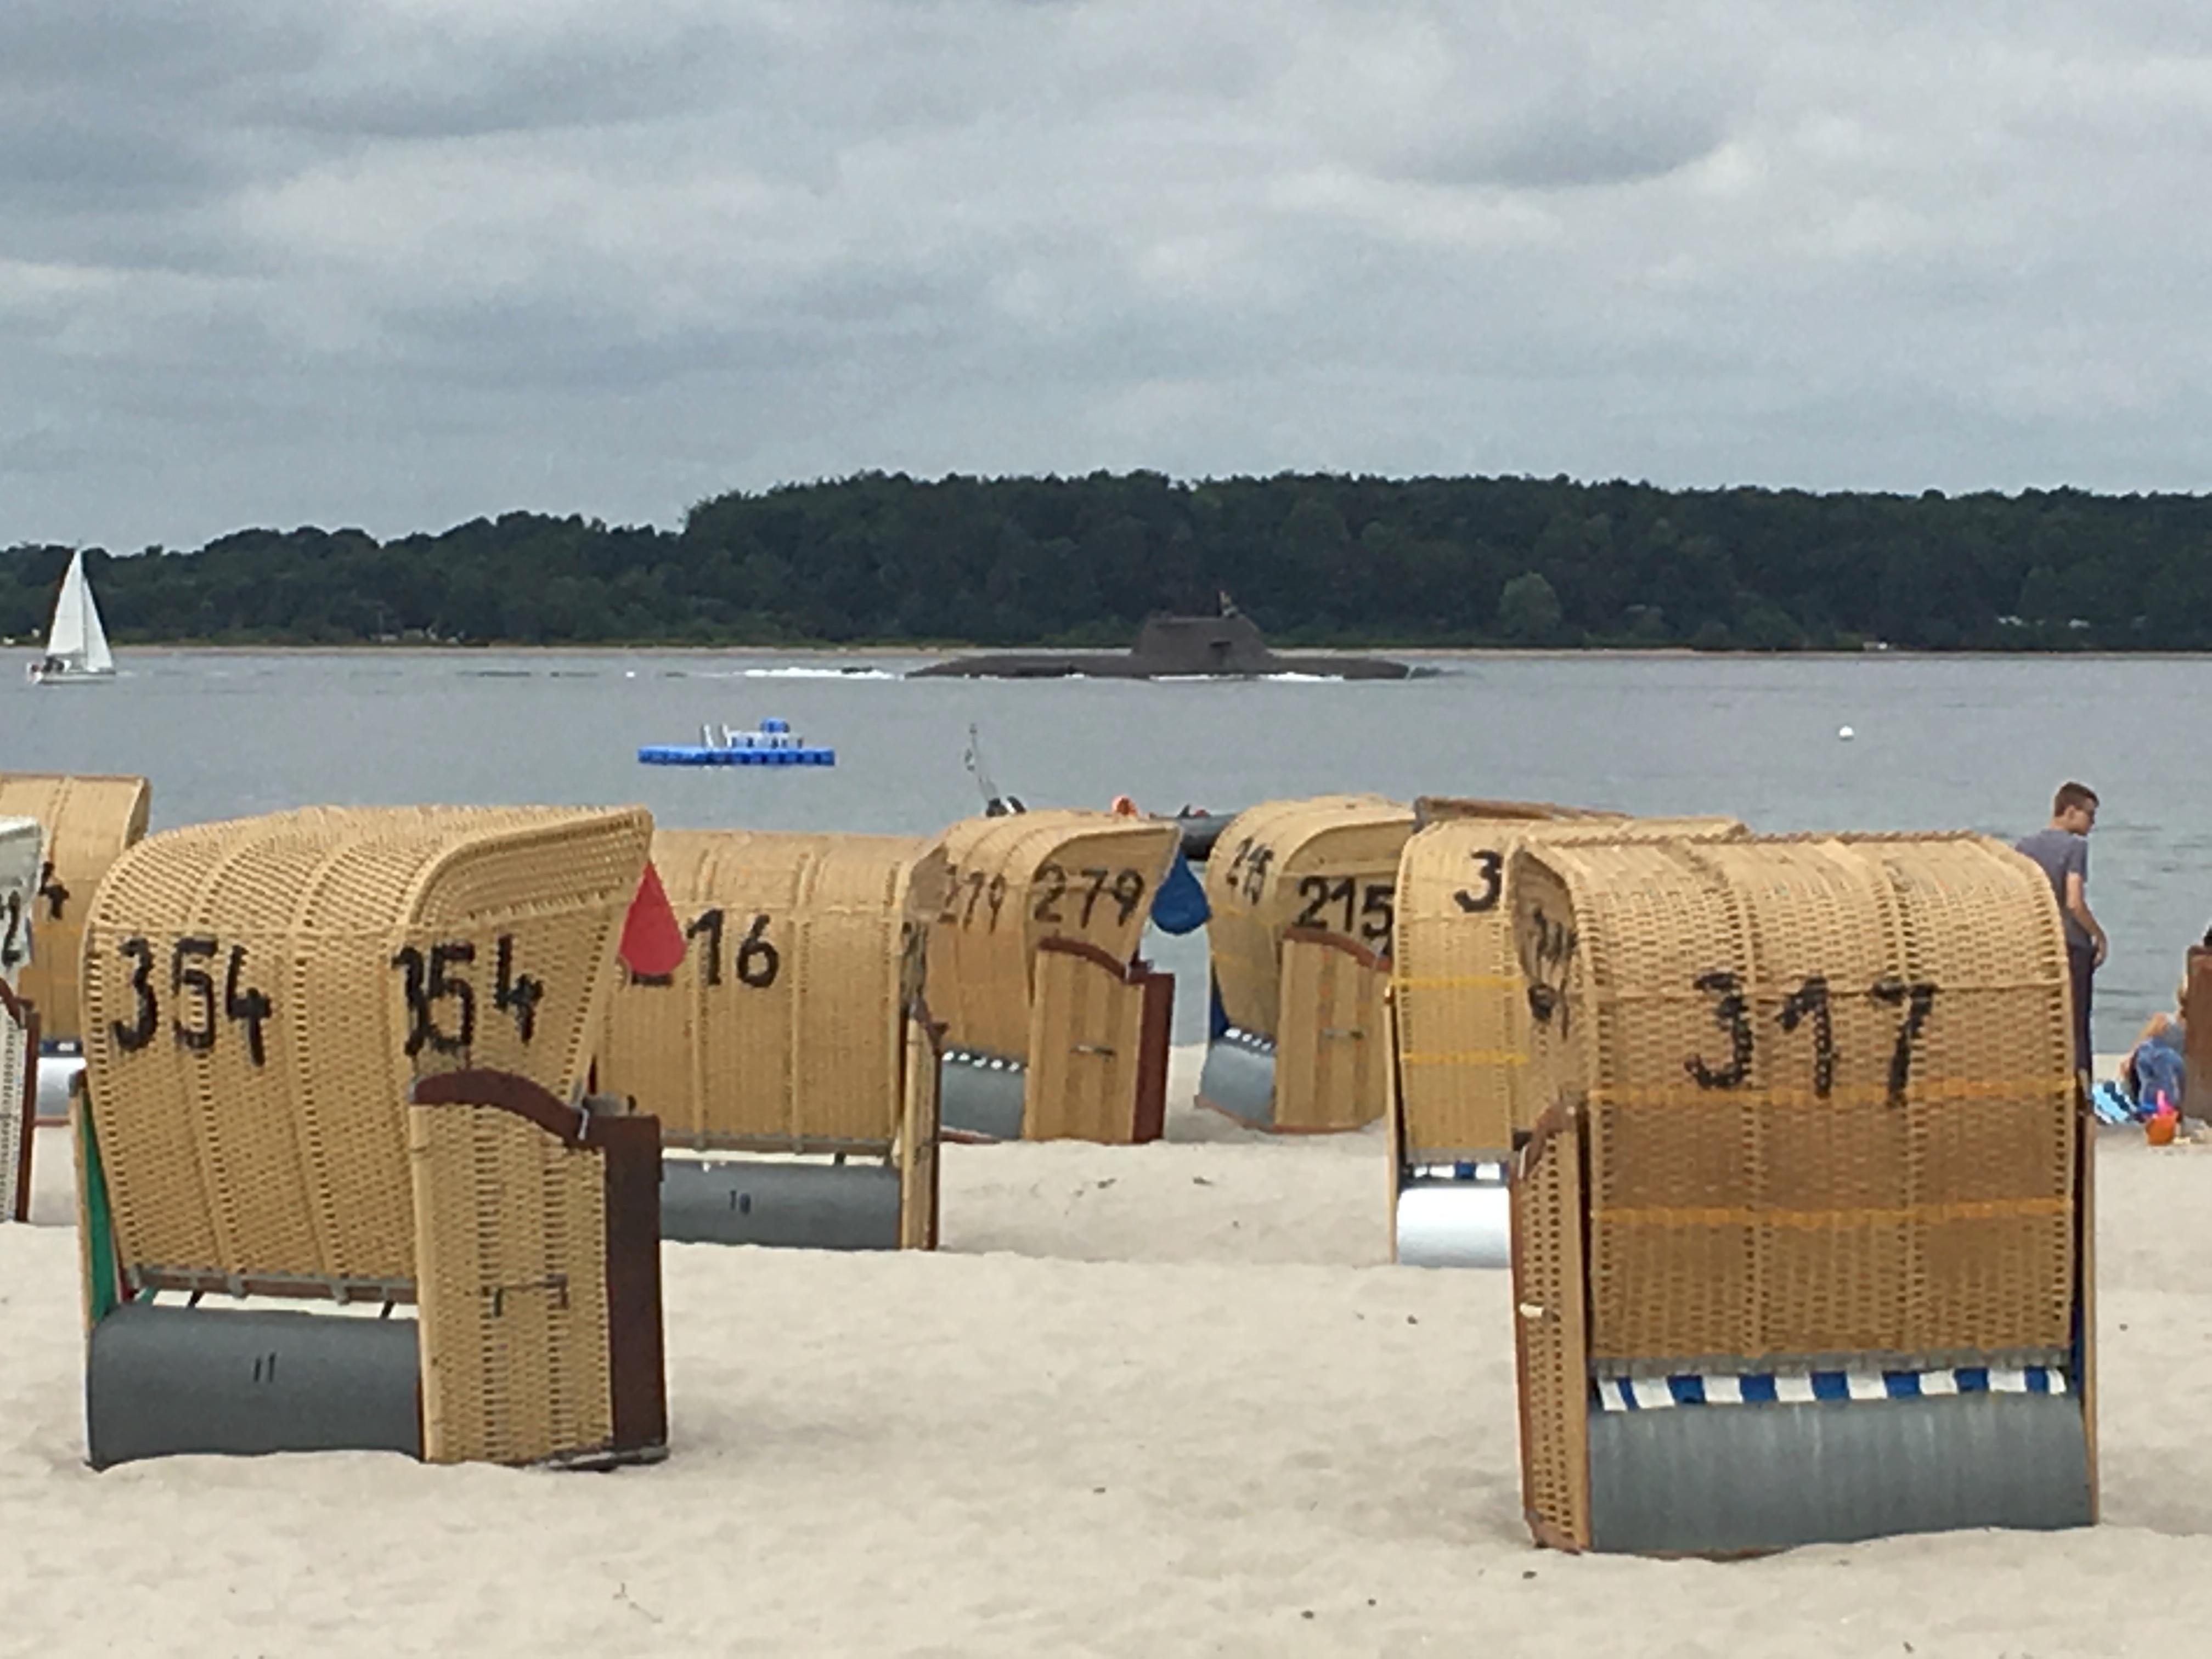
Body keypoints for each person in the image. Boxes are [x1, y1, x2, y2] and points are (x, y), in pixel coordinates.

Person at [2015, 782, 2106, 1077]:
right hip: (2071, 943)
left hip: (2038, 943)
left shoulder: (2024, 848)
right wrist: (2099, 936)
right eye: (2089, 816)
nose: (2093, 824)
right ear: (2070, 811)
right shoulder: (2075, 847)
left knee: (2042, 1021)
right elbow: (2074, 901)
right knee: (2076, 1023)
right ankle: (2081, 1098)